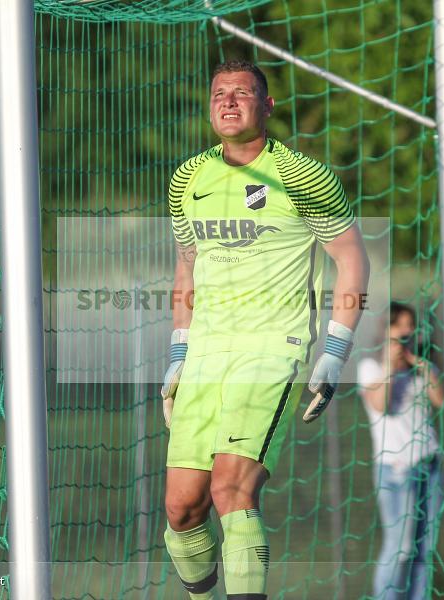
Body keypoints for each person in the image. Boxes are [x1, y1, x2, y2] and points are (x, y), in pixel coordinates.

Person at [159, 60, 370, 599]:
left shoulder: (302, 174)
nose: (228, 103)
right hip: (206, 355)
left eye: (242, 94)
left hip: (272, 350)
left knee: (232, 489)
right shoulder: (188, 178)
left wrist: (335, 352)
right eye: (219, 95)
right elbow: (187, 267)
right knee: (182, 509)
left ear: (267, 106)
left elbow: (352, 259)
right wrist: (179, 354)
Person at [357, 302, 444, 600]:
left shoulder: (423, 364)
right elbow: (379, 404)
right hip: (395, 468)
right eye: (401, 326)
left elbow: (440, 401)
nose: (407, 331)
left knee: (425, 548)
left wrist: (419, 363)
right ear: (386, 330)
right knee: (400, 546)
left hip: (428, 462)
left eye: (411, 325)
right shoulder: (371, 366)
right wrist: (390, 366)